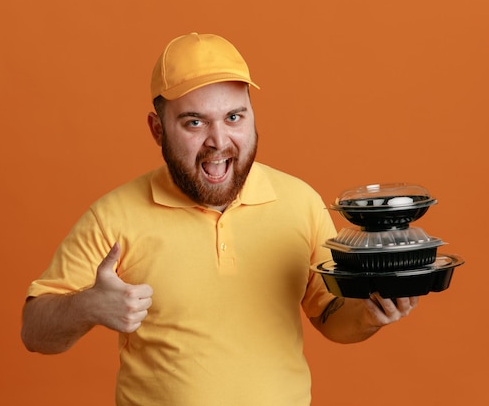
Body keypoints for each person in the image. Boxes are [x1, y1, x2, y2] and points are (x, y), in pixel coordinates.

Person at [21, 32, 418, 406]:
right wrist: (87, 306)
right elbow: (34, 332)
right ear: (157, 130)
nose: (218, 140)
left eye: (234, 117)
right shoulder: (113, 217)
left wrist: (370, 314)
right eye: (194, 122)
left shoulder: (300, 202)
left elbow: (330, 316)